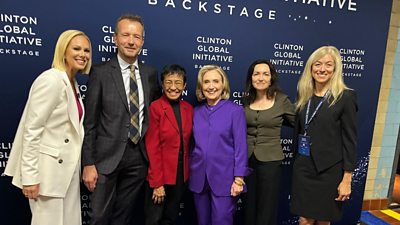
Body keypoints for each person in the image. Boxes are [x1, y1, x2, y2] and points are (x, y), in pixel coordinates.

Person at [4, 29, 92, 225]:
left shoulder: (72, 83)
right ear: (63, 51)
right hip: (47, 175)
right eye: (76, 48)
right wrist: (30, 177)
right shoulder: (51, 79)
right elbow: (32, 130)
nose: (83, 54)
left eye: (86, 50)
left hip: (66, 174)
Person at [81, 14, 161, 225]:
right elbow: (89, 123)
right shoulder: (100, 72)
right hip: (105, 159)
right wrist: (88, 163)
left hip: (138, 158)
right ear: (115, 38)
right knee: (98, 217)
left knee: (123, 217)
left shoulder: (150, 74)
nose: (131, 41)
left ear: (143, 41)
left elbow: (154, 116)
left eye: (136, 36)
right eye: (126, 35)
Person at [290, 46, 358, 225]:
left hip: (329, 171)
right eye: (317, 64)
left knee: (323, 221)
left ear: (335, 69)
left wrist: (347, 179)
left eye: (328, 65)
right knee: (304, 220)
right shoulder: (304, 95)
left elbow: (349, 141)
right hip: (303, 169)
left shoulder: (345, 97)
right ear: (310, 68)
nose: (322, 69)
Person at [189, 65, 250, 225]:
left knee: (221, 221)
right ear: (201, 86)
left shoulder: (235, 111)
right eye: (206, 82)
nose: (211, 86)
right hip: (198, 178)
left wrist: (239, 179)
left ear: (223, 84)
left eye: (216, 81)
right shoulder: (195, 112)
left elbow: (241, 147)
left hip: (225, 179)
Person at [242, 59, 295, 225]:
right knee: (249, 204)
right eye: (256, 74)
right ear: (251, 78)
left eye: (265, 74)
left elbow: (299, 123)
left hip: (271, 161)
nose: (261, 77)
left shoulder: (282, 100)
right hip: (247, 160)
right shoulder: (246, 100)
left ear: (272, 78)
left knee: (267, 206)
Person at [144, 64, 193, 225]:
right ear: (162, 85)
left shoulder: (188, 108)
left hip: (180, 175)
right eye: (169, 82)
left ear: (184, 85)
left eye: (178, 83)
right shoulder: (156, 107)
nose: (173, 87)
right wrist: (157, 183)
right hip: (160, 174)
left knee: (170, 218)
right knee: (154, 219)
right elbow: (153, 147)